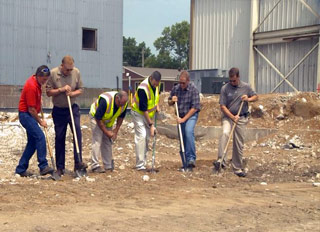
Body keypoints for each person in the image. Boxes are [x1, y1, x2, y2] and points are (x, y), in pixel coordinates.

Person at [46, 55, 87, 176]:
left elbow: (81, 89)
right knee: (60, 137)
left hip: (72, 108)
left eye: (71, 69)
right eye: (67, 69)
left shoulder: (76, 72)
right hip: (59, 110)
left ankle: (78, 163)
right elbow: (48, 92)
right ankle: (60, 167)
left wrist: (72, 93)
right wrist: (61, 90)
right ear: (62, 66)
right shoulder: (53, 73)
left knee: (77, 133)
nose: (69, 71)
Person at [214, 67, 258, 177]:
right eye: (230, 80)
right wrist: (232, 117)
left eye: (234, 80)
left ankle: (237, 168)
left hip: (241, 118)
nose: (232, 82)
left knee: (238, 142)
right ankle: (221, 161)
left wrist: (248, 99)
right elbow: (222, 106)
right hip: (228, 117)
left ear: (238, 77)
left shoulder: (246, 87)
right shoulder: (225, 88)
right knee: (225, 134)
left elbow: (256, 96)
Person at [15, 65, 54, 177]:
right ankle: (43, 166)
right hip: (26, 115)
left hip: (30, 114)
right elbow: (31, 109)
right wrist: (41, 121)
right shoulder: (31, 86)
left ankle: (21, 169)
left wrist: (38, 100)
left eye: (46, 79)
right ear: (38, 76)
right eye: (44, 79)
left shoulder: (37, 83)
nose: (45, 82)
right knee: (40, 137)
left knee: (32, 143)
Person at [89, 91, 128, 173]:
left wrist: (116, 130)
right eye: (120, 103)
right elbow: (98, 118)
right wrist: (106, 132)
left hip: (108, 120)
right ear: (117, 98)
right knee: (97, 140)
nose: (122, 105)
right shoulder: (105, 101)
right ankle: (94, 165)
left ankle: (108, 165)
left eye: (123, 104)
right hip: (96, 117)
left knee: (107, 142)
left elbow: (121, 117)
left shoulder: (124, 104)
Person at [168, 70, 200, 169]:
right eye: (180, 82)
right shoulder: (176, 89)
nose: (181, 85)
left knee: (188, 131)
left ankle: (191, 158)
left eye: (183, 83)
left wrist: (184, 119)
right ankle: (185, 163)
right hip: (180, 115)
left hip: (191, 115)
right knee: (182, 138)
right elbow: (169, 102)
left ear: (188, 81)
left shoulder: (193, 89)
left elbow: (195, 108)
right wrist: (172, 100)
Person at [131, 71, 161, 171]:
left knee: (147, 138)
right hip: (139, 113)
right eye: (154, 84)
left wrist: (157, 106)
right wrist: (151, 125)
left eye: (157, 84)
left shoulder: (157, 84)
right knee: (142, 136)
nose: (156, 85)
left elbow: (156, 96)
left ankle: (143, 162)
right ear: (151, 78)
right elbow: (144, 109)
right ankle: (140, 165)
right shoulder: (143, 89)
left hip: (149, 114)